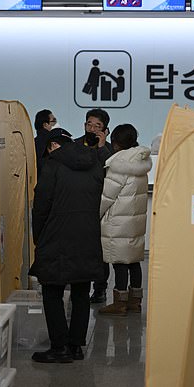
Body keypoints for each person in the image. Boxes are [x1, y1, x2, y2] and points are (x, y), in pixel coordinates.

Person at [29, 128, 105, 363]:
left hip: (57, 235)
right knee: (81, 291)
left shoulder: (52, 166)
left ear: (52, 146)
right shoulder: (94, 163)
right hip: (87, 234)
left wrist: (39, 238)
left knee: (52, 291)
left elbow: (41, 205)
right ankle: (75, 346)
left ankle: (59, 347)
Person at [97, 124, 152, 316]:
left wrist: (95, 215)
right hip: (134, 222)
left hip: (118, 222)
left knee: (119, 262)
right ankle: (135, 302)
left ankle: (119, 304)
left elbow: (107, 196)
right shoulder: (140, 163)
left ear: (117, 143)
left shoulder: (118, 164)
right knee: (134, 261)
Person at [75, 108, 113, 303]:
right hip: (78, 202)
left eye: (97, 126)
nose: (92, 128)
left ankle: (100, 289)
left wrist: (101, 146)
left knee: (99, 249)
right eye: (89, 124)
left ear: (105, 129)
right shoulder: (74, 144)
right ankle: (78, 287)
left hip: (100, 204)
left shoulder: (109, 150)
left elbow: (111, 169)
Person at [34, 109, 58, 177]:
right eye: (53, 121)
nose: (56, 124)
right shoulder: (53, 142)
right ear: (45, 125)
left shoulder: (32, 143)